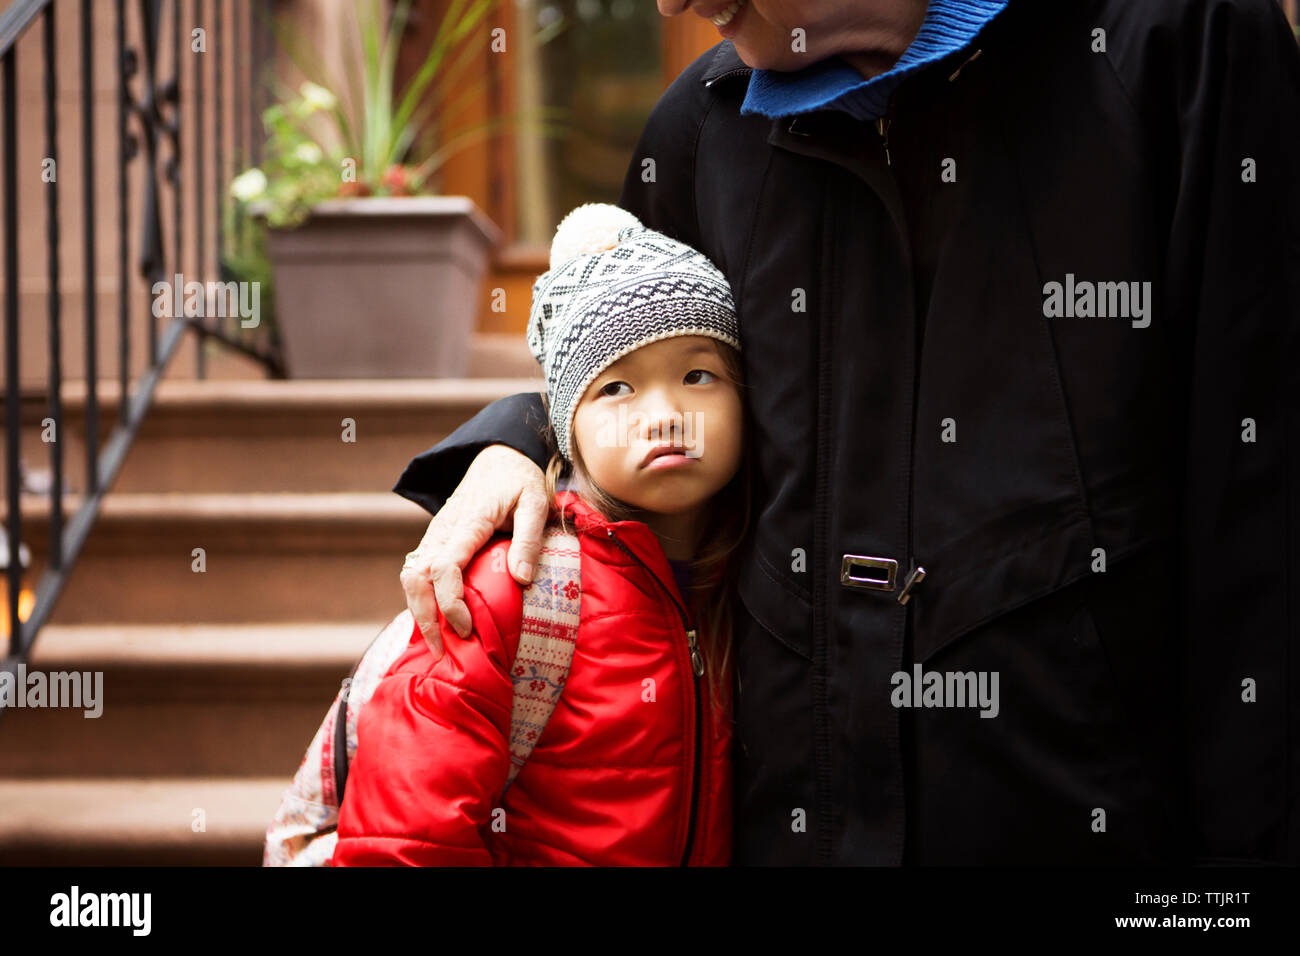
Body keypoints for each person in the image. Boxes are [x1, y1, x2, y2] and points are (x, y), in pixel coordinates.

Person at [392, 0, 1300, 864]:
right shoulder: (700, 127)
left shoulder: (1183, 46)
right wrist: (517, 441)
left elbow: (1260, 515)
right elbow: (615, 366)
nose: (669, 7)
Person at [331, 204, 749, 865]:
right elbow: (406, 835)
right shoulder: (513, 589)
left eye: (698, 375)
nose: (666, 415)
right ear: (565, 430)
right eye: (616, 388)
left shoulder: (758, 582)